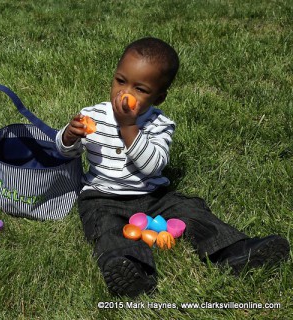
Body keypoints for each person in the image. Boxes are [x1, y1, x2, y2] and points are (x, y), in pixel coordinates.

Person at [55, 37, 290, 298]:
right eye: (121, 81)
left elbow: (152, 167)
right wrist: (68, 137)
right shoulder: (93, 114)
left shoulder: (159, 124)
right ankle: (129, 270)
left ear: (159, 97)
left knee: (192, 210)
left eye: (140, 89)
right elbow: (66, 153)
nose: (125, 94)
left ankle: (236, 251)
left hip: (153, 197)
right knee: (106, 228)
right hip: (103, 197)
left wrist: (128, 127)